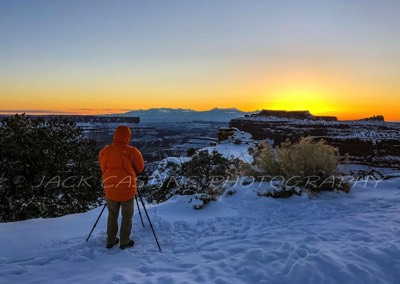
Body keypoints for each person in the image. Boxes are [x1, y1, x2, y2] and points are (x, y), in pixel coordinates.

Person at [98, 125, 144, 249]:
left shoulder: (105, 151)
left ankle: (111, 240)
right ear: (128, 136)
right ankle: (124, 241)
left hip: (110, 189)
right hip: (127, 190)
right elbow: (140, 168)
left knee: (112, 215)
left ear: (115, 136)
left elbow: (102, 167)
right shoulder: (132, 151)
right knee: (127, 216)